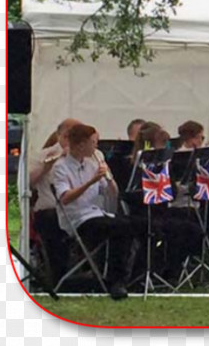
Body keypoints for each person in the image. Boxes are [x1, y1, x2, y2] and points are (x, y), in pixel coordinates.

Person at [52, 124, 144, 300]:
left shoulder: (92, 163)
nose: (96, 146)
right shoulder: (61, 167)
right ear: (80, 145)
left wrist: (109, 180)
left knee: (132, 224)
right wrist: (92, 180)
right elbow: (65, 198)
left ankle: (126, 276)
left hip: (96, 213)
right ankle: (116, 279)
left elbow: (111, 193)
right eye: (93, 142)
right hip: (77, 219)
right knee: (120, 228)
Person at [29, 118, 81, 284]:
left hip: (79, 211)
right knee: (52, 222)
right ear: (62, 136)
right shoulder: (44, 154)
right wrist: (47, 166)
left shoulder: (86, 155)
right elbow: (28, 182)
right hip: (50, 209)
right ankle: (58, 278)